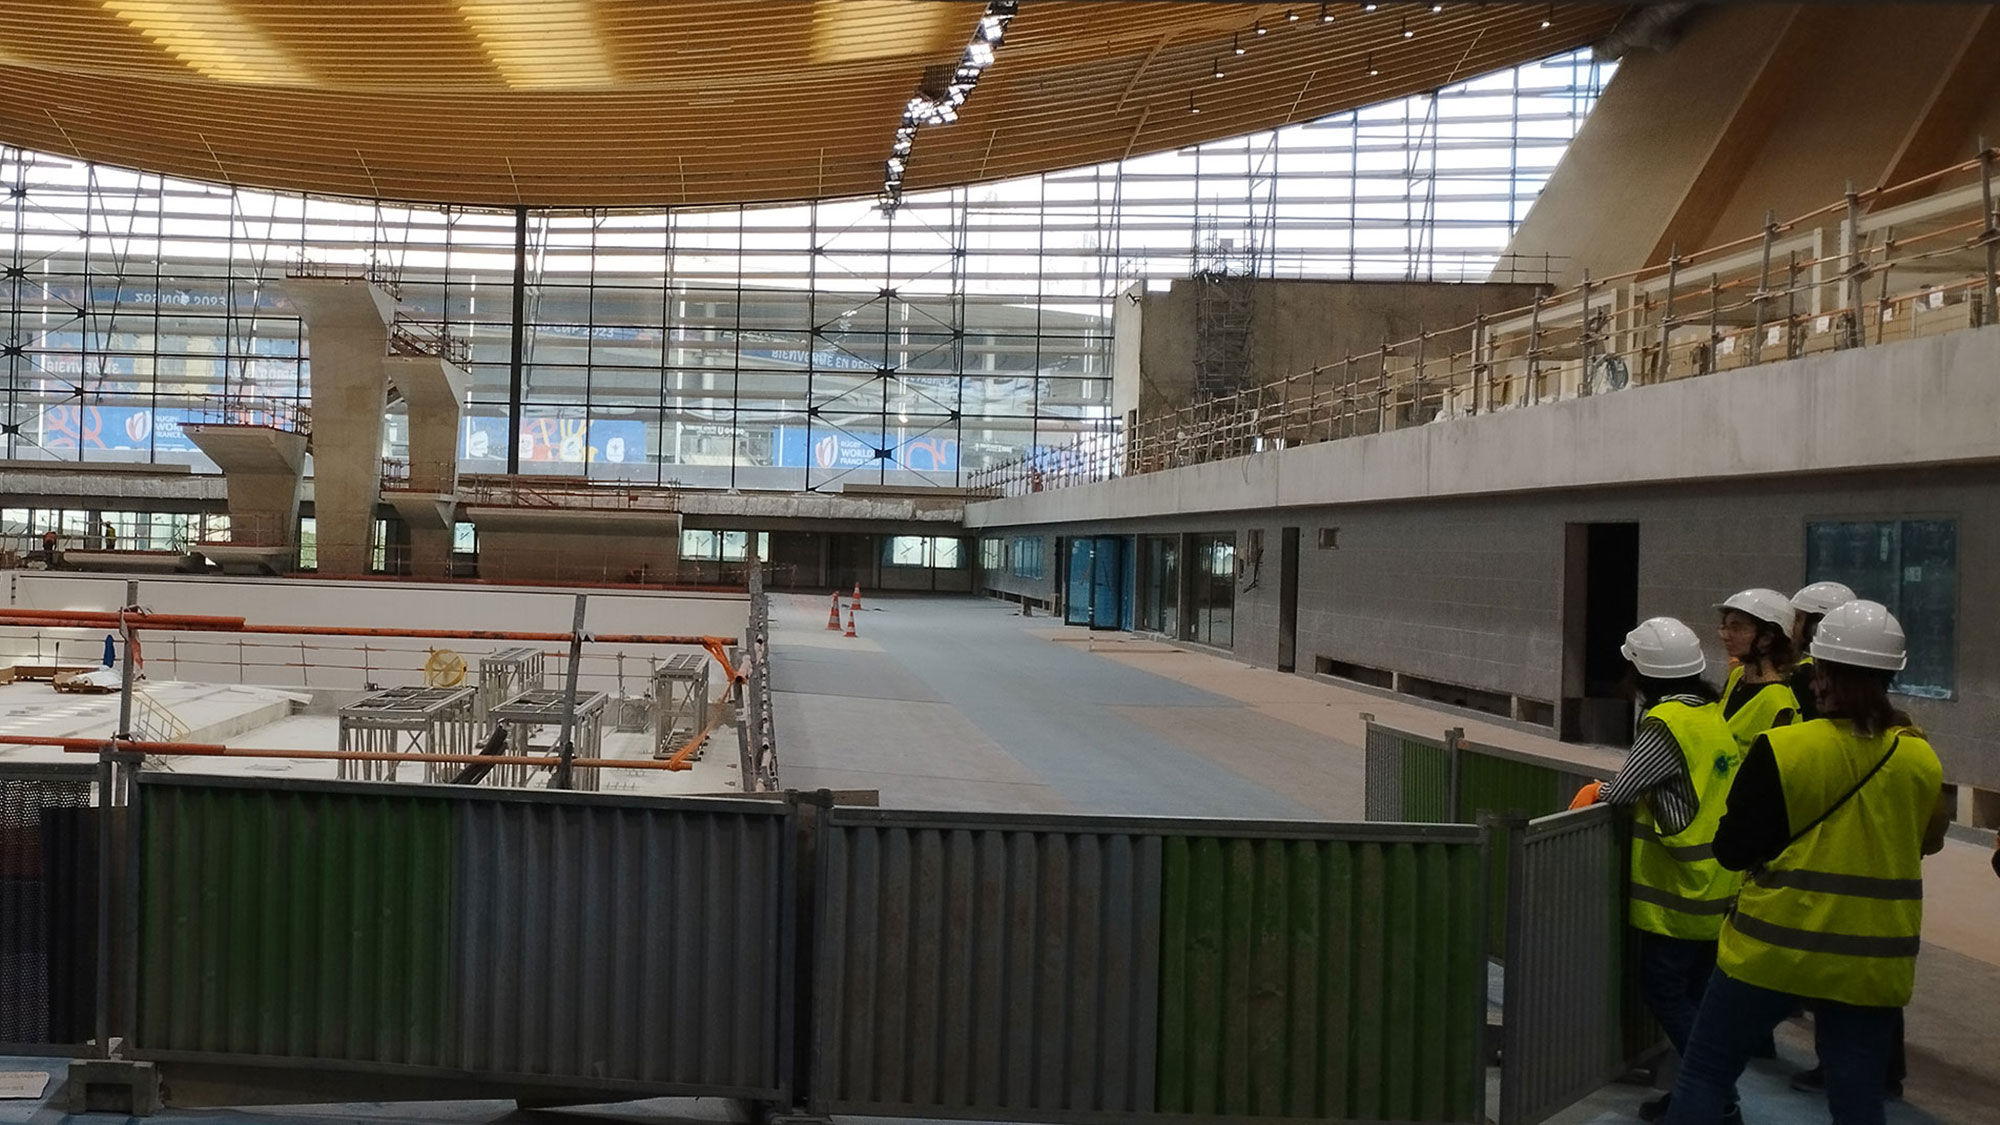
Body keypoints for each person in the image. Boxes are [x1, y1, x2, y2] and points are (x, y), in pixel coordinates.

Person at [1662, 601, 1951, 1125]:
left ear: (1820, 676)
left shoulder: (1784, 748)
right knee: (1857, 1099)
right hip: (1871, 958)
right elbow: (1928, 842)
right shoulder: (1919, 757)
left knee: (1706, 1075)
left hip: (1772, 947)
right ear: (1891, 676)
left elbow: (1733, 849)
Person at [1594, 617, 1743, 1123]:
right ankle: (1699, 1097)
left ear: (1643, 672)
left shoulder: (1665, 723)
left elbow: (1622, 790)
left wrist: (1595, 792)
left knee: (1665, 991)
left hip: (1678, 891)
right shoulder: (1709, 714)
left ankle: (1716, 1095)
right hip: (1717, 883)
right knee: (1696, 994)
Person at [1716, 587, 1799, 750]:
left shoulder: (1777, 701)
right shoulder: (1738, 676)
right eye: (1724, 627)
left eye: (1736, 628)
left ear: (1767, 638)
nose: (1724, 635)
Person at [1788, 581, 1856, 722]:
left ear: (1816, 627)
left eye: (1798, 619)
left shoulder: (1804, 675)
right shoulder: (1853, 673)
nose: (1790, 627)